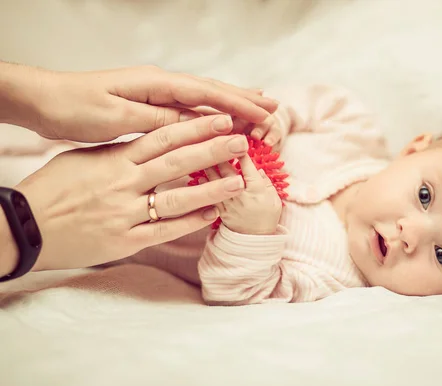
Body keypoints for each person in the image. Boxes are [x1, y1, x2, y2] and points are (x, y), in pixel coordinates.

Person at [126, 84, 442, 305]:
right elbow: (313, 98)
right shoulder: (352, 133)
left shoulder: (332, 281)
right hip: (140, 131)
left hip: (117, 222)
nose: (411, 234)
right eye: (427, 196)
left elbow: (232, 292)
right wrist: (274, 120)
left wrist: (252, 230)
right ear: (415, 149)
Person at [0, 61, 280, 281]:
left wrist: (253, 233)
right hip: (113, 142)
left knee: (18, 167)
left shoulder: (318, 262)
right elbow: (298, 104)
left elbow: (242, 288)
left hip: (105, 222)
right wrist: (269, 122)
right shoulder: (325, 136)